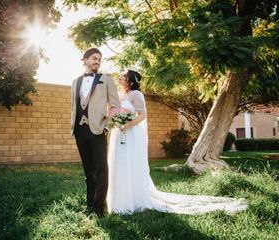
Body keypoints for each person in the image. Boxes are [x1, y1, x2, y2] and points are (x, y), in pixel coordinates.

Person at [107, 70, 248, 215]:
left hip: (130, 133)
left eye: (123, 76)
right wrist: (114, 120)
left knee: (130, 163)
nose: (120, 77)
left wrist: (127, 124)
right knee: (119, 162)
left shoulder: (136, 95)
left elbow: (142, 115)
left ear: (130, 81)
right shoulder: (120, 94)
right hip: (118, 133)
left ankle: (132, 200)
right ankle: (118, 200)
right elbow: (113, 110)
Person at [71, 48, 120, 217]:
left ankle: (100, 208)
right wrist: (74, 125)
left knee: (101, 169)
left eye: (99, 59)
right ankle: (90, 204)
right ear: (85, 60)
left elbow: (115, 106)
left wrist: (108, 125)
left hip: (98, 128)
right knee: (88, 170)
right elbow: (75, 106)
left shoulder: (106, 80)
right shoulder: (75, 82)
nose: (97, 62)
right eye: (94, 58)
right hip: (80, 129)